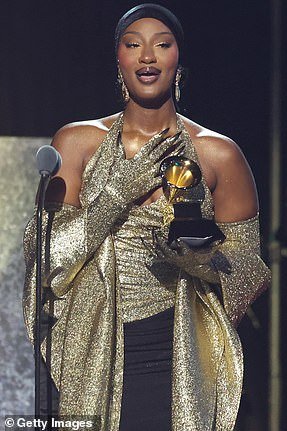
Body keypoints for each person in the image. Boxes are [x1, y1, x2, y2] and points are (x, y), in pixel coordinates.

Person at [23, 4, 271, 431]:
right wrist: (119, 191)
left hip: (180, 354)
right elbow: (46, 254)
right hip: (92, 349)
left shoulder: (218, 153)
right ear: (118, 59)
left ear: (179, 59)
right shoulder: (77, 141)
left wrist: (191, 257)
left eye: (162, 44)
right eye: (133, 44)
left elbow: (249, 271)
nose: (148, 56)